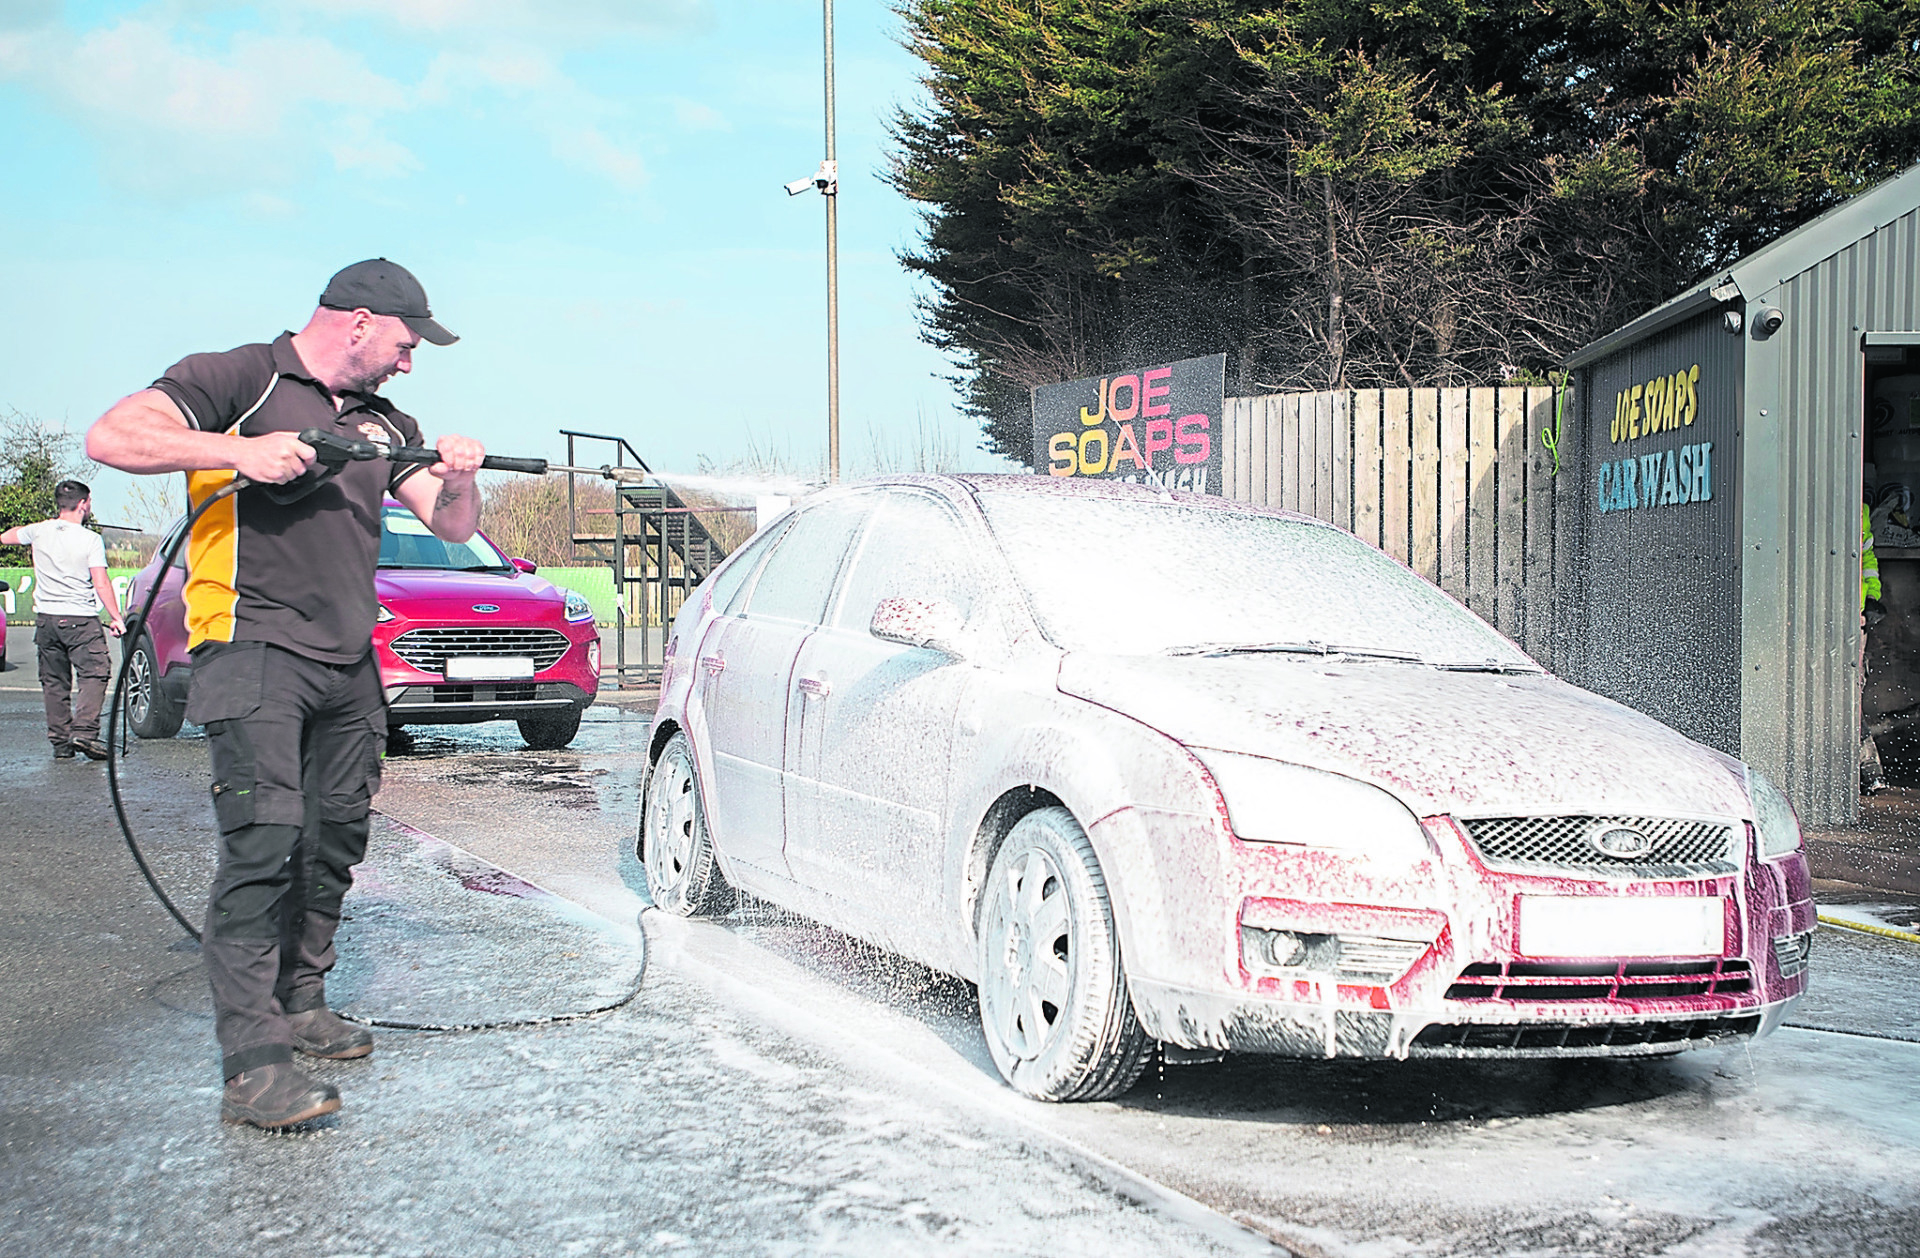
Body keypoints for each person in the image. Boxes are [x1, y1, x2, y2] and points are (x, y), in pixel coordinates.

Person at [86, 259, 484, 1129]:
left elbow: (452, 525)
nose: (409, 362)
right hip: (251, 644)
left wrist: (457, 473)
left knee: (335, 835)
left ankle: (302, 1001)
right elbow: (112, 438)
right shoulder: (240, 377)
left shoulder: (385, 421)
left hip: (348, 660)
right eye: (407, 344)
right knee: (263, 843)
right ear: (359, 321)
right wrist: (239, 450)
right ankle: (254, 1067)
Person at [1, 479, 127, 760]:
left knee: (54, 681)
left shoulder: (39, 531)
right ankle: (83, 731)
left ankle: (60, 742)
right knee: (95, 672)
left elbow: (7, 536)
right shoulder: (90, 539)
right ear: (83, 504)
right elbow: (101, 582)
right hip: (80, 618)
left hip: (46, 620)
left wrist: (41, 529)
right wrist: (116, 618)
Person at [1862, 500, 1889, 795]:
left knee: (1850, 698)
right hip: (1820, 619)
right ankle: (1870, 771)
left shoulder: (1860, 510)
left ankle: (1870, 771)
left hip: (1857, 620)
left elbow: (1867, 558)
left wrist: (1872, 599)